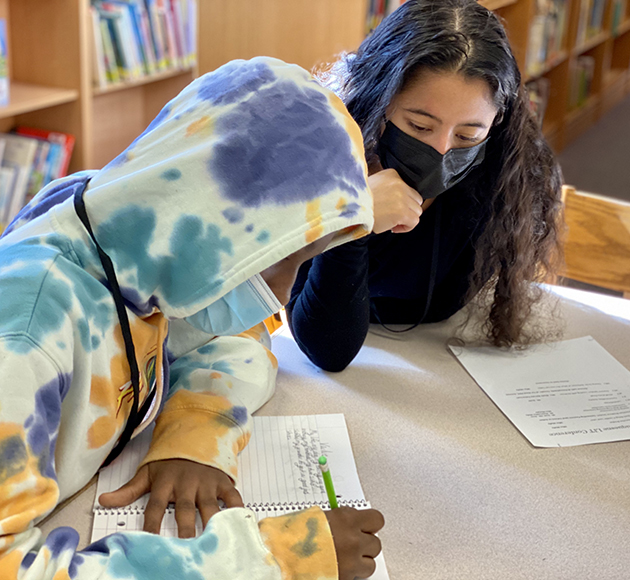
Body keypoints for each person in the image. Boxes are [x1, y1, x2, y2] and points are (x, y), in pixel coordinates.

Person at [0, 57, 384, 580]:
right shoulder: (26, 333)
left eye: (303, 261)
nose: (283, 293)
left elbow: (228, 339)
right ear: (201, 215)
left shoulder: (136, 238)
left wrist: (196, 429)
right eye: (276, 258)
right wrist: (264, 562)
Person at [287, 0, 564, 372]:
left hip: (438, 361)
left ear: (496, 123)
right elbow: (327, 349)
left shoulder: (501, 178)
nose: (441, 150)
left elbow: (446, 305)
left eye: (468, 135)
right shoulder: (324, 153)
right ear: (379, 99)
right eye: (419, 126)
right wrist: (354, 218)